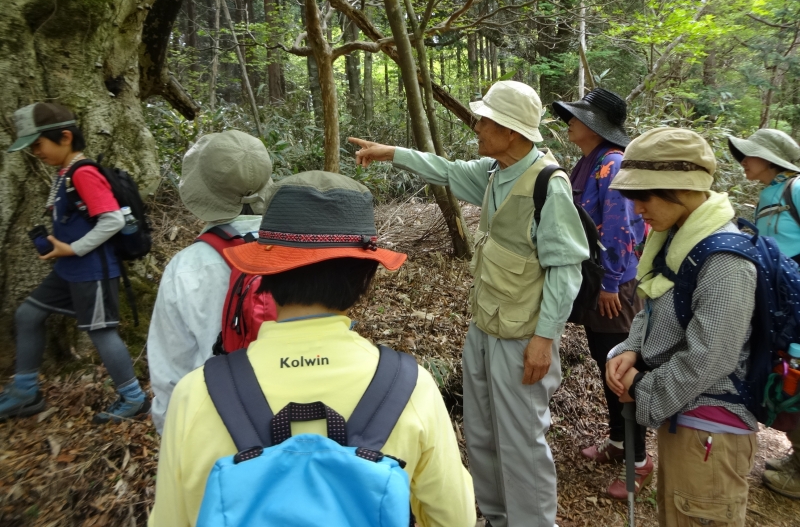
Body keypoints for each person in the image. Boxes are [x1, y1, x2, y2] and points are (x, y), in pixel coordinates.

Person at [149, 171, 476, 527]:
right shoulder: (410, 388)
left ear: (264, 272)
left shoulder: (195, 395)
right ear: (366, 276)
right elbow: (454, 518)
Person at [350, 80, 589, 527]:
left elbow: (566, 268)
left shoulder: (547, 185)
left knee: (521, 441)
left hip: (523, 336)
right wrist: (391, 153)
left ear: (512, 132)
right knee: (481, 433)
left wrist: (545, 339)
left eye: (485, 121)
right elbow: (444, 169)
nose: (476, 127)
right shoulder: (494, 172)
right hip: (484, 326)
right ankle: (497, 517)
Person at [606, 127, 758, 527]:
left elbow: (711, 356)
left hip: (711, 432)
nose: (637, 208)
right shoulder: (680, 239)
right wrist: (633, 347)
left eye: (645, 195)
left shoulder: (724, 260)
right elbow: (655, 302)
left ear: (683, 187)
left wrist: (642, 388)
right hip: (685, 416)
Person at [0, 102, 148, 423]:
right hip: (69, 270)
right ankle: (25, 391)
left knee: (101, 332)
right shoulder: (65, 174)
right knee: (28, 315)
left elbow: (112, 220)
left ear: (65, 137)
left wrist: (72, 248)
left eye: (38, 144)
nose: (35, 152)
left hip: (93, 271)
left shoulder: (83, 173)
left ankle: (134, 398)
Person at [551, 89, 650, 498]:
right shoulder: (589, 162)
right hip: (597, 283)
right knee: (605, 363)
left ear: (597, 126)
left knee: (622, 371)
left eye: (578, 117)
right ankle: (618, 442)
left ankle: (638, 462)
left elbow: (620, 228)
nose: (570, 122)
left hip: (616, 287)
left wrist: (610, 284)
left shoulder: (612, 164)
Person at [147, 130, 274, 434]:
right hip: (299, 420)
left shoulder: (186, 268)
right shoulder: (301, 250)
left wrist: (172, 435)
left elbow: (170, 371)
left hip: (217, 425)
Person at [728, 128, 800, 500]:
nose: (743, 161)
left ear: (771, 159)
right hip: (779, 301)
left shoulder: (796, 189)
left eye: (749, 154)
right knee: (785, 375)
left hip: (795, 300)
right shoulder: (770, 193)